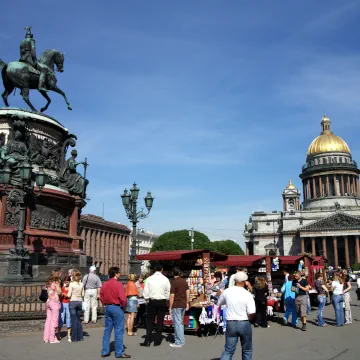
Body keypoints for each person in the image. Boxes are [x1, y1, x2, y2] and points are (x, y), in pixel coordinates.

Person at [218, 271, 255, 360]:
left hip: (231, 322)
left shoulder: (227, 291)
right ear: (245, 281)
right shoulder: (247, 294)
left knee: (228, 350)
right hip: (244, 322)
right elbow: (252, 312)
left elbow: (219, 303)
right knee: (247, 350)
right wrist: (249, 318)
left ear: (235, 280)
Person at [100, 267, 130, 359]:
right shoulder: (118, 284)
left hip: (108, 307)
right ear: (116, 274)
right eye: (119, 273)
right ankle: (119, 352)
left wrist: (104, 303)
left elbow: (101, 295)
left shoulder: (105, 284)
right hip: (117, 307)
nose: (120, 274)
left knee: (107, 330)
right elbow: (123, 298)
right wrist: (123, 305)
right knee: (119, 330)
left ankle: (105, 351)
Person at [141, 263, 171, 347]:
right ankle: (157, 341)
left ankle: (147, 340)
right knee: (160, 321)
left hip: (152, 301)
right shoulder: (165, 279)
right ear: (162, 269)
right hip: (162, 301)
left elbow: (145, 292)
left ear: (154, 270)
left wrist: (147, 299)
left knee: (149, 321)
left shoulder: (149, 279)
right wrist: (166, 299)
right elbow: (168, 291)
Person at [169, 267, 190, 348]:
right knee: (180, 323)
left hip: (177, 304)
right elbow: (188, 292)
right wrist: (187, 303)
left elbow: (172, 296)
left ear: (172, 273)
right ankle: (180, 340)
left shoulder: (174, 282)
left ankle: (179, 342)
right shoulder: (184, 281)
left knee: (178, 324)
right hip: (183, 304)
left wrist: (170, 307)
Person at [43, 274, 62, 344]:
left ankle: (46, 338)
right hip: (55, 302)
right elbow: (59, 292)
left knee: (48, 321)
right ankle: (52, 338)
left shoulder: (49, 283)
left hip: (48, 302)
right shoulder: (56, 283)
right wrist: (58, 286)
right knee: (54, 321)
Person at [67, 269, 84, 342]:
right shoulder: (81, 284)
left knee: (73, 320)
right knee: (78, 319)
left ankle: (74, 338)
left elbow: (68, 295)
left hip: (73, 301)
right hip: (79, 301)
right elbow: (83, 294)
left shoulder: (71, 284)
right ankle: (80, 336)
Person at [58, 276, 72, 341]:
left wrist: (67, 296)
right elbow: (60, 297)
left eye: (67, 282)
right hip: (63, 303)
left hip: (68, 304)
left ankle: (69, 334)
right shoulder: (63, 288)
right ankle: (58, 333)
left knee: (68, 318)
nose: (66, 283)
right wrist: (62, 295)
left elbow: (71, 296)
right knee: (61, 318)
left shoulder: (71, 288)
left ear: (69, 282)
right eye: (65, 282)